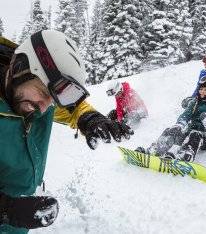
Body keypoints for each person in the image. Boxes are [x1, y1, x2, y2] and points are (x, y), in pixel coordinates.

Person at [0, 30, 133, 233]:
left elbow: (70, 108)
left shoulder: (28, 97)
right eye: (44, 93)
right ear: (19, 69)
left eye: (52, 100)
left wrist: (88, 117)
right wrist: (5, 209)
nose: (44, 109)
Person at [137, 76, 206, 162]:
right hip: (191, 131)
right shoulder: (194, 102)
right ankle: (156, 150)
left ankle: (186, 155)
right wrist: (180, 124)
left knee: (195, 134)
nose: (202, 92)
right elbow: (185, 115)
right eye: (201, 89)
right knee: (173, 130)